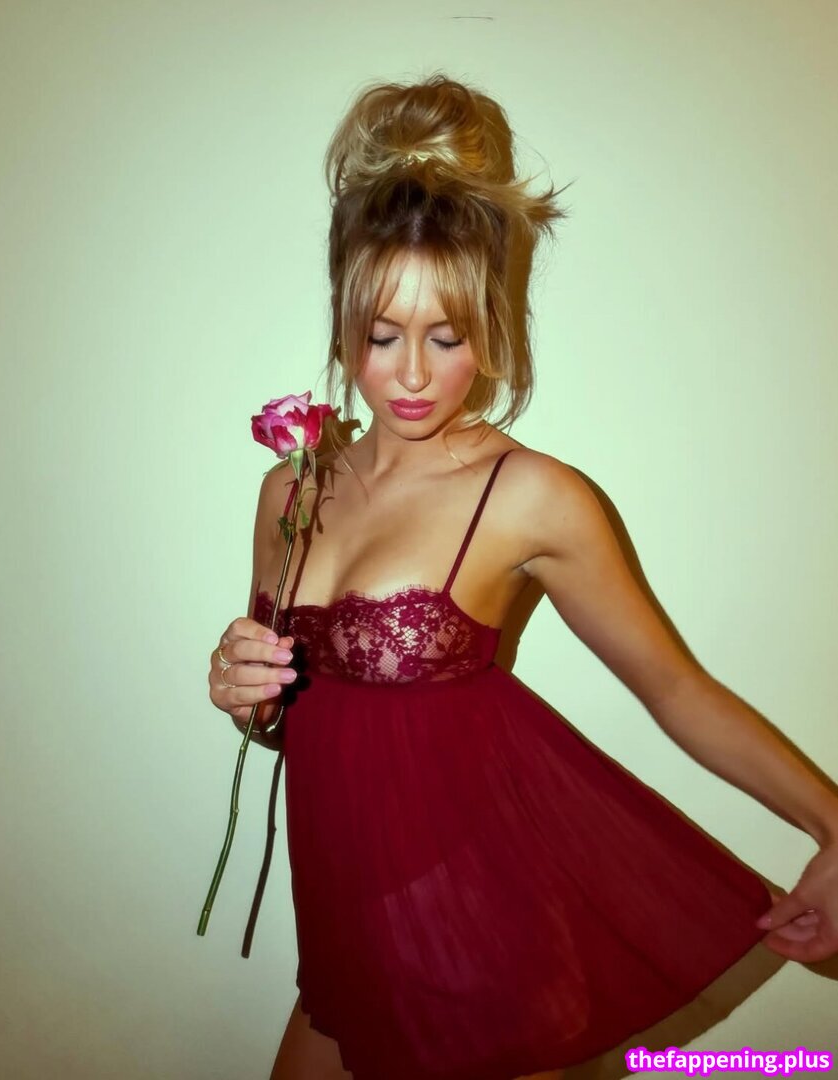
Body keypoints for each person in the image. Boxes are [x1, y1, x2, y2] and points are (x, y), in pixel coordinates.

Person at [208, 74, 838, 1080]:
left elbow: (675, 689)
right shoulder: (289, 488)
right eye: (382, 336)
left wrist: (833, 826)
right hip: (342, 942)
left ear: (490, 326)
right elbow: (293, 718)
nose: (413, 374)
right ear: (342, 323)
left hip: (479, 942)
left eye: (446, 336)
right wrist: (244, 695)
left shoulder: (532, 496)